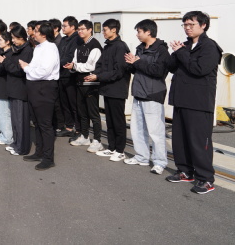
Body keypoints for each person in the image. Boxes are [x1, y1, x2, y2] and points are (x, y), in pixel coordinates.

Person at [166, 11, 222, 194]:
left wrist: (181, 52)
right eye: (185, 25)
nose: (187, 28)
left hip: (198, 102)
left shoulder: (209, 47)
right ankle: (185, 171)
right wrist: (175, 52)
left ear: (203, 25)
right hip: (181, 99)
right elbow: (171, 67)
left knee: (199, 142)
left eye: (191, 24)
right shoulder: (186, 46)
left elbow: (199, 69)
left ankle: (206, 179)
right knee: (180, 139)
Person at [124, 19, 170, 174]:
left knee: (155, 132)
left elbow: (158, 71)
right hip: (139, 92)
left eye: (139, 31)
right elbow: (138, 69)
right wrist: (130, 64)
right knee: (137, 129)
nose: (137, 35)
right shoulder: (140, 48)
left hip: (152, 94)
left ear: (148, 32)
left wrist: (137, 62)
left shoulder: (161, 50)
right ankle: (141, 157)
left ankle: (160, 162)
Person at [86, 19, 131, 160]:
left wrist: (98, 76)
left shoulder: (120, 47)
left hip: (117, 89)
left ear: (114, 30)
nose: (103, 32)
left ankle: (120, 150)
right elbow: (100, 65)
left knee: (118, 121)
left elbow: (119, 71)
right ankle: (111, 148)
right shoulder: (107, 46)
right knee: (110, 121)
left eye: (105, 30)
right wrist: (95, 74)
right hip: (107, 88)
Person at [20, 21, 60, 170]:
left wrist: (26, 68)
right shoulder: (39, 47)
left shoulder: (50, 48)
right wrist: (29, 68)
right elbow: (36, 67)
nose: (33, 33)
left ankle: (48, 158)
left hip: (44, 87)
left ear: (44, 34)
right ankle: (39, 151)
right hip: (34, 86)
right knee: (37, 122)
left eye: (36, 31)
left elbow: (44, 71)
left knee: (45, 124)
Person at [66, 20, 103, 151]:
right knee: (82, 111)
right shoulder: (80, 44)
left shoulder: (95, 45)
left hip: (91, 83)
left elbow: (91, 66)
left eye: (82, 29)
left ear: (90, 30)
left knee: (93, 113)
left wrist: (75, 66)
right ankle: (85, 136)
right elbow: (75, 62)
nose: (80, 31)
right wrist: (72, 66)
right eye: (79, 29)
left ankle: (97, 140)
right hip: (79, 82)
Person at [4, 26, 34, 156]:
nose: (13, 41)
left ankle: (22, 147)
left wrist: (5, 62)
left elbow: (19, 70)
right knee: (15, 120)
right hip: (14, 88)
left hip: (21, 89)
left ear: (21, 37)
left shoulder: (27, 50)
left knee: (21, 120)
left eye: (14, 38)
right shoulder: (17, 49)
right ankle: (16, 143)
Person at [56, 16, 80, 138]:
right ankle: (68, 127)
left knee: (73, 104)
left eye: (65, 26)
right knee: (64, 103)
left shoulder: (76, 40)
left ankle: (78, 129)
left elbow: (69, 57)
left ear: (73, 27)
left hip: (71, 76)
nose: (63, 28)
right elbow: (58, 55)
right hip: (62, 75)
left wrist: (56, 64)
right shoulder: (64, 40)